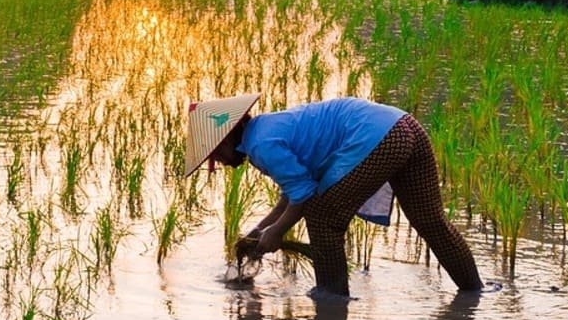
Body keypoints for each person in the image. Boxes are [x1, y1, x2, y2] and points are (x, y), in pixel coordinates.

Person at [187, 94, 482, 297]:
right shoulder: (265, 130)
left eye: (216, 155)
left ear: (226, 139)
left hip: (377, 138)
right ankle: (474, 293)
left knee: (322, 218)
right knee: (431, 221)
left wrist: (277, 233)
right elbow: (291, 194)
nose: (221, 163)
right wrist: (260, 230)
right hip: (405, 127)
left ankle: (331, 299)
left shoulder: (261, 145)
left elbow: (304, 195)